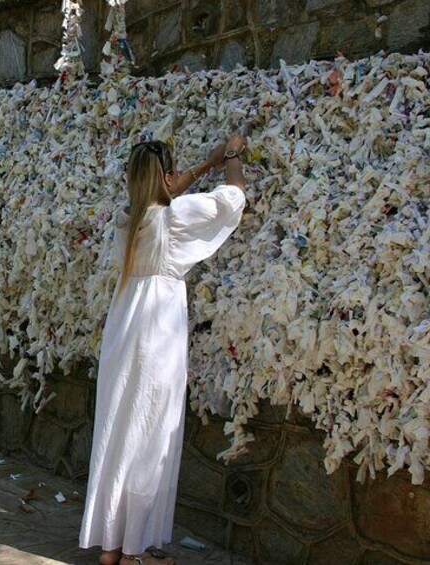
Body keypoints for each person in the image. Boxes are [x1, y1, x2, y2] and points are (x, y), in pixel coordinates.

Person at [79, 135, 247, 565]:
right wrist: (229, 159)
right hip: (156, 339)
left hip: (123, 335)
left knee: (119, 433)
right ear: (167, 178)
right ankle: (137, 551)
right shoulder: (171, 218)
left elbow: (164, 197)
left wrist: (201, 165)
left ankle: (112, 546)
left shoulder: (127, 221)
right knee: (150, 435)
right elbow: (232, 201)